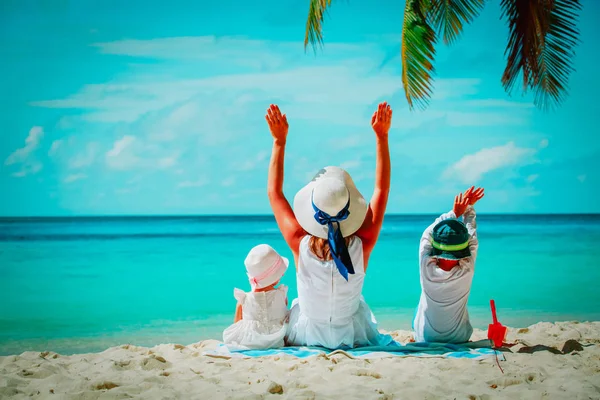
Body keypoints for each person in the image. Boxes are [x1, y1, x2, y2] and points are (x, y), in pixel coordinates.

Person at [264, 102, 394, 349]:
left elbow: (274, 193)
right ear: (349, 208)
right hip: (350, 334)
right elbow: (382, 190)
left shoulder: (298, 241)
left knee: (296, 305)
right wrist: (382, 137)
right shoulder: (363, 242)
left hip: (308, 335)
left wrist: (279, 142)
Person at [413, 186, 485, 343]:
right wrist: (468, 209)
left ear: (436, 246)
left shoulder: (426, 266)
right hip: (459, 339)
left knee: (420, 308)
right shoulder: (467, 268)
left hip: (425, 338)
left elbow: (427, 234)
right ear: (464, 247)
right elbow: (471, 234)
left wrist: (455, 212)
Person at [222, 244, 289, 349]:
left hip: (251, 342)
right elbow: (283, 314)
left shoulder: (243, 299)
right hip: (277, 341)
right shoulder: (282, 294)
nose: (283, 275)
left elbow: (237, 324)